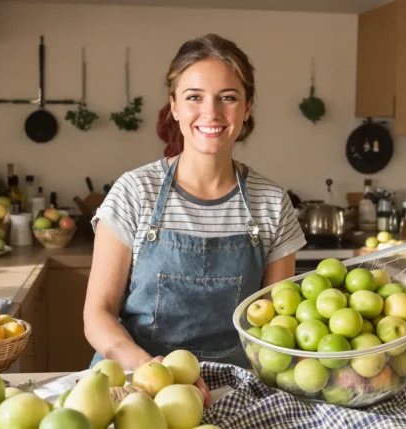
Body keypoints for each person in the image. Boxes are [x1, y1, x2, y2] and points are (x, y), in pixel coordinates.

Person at [83, 33, 306, 403]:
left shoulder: (270, 201)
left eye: (228, 98)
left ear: (248, 106)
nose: (212, 113)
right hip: (135, 386)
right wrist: (149, 370)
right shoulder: (135, 192)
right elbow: (97, 313)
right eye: (194, 97)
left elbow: (276, 326)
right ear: (173, 106)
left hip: (233, 389)